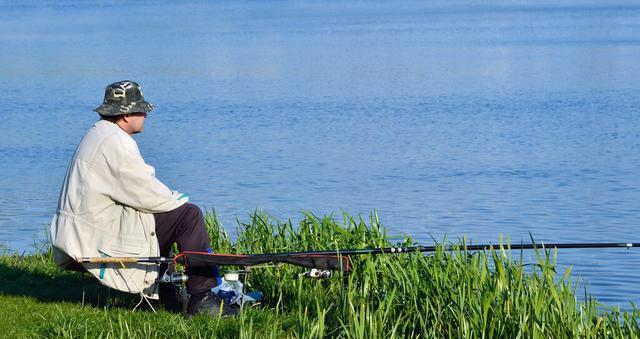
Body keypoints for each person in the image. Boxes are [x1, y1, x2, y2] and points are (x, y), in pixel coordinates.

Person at [49, 80, 235, 316]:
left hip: (86, 227)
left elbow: (135, 189)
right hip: (96, 233)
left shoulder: (100, 134)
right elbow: (144, 190)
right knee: (188, 216)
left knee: (163, 216)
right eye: (141, 110)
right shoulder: (116, 143)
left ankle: (168, 292)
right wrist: (180, 199)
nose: (146, 114)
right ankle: (202, 298)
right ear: (126, 114)